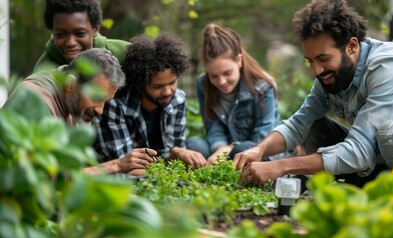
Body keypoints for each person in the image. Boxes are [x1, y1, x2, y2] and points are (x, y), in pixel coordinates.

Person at [233, 0, 393, 187]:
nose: (316, 70)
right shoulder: (332, 75)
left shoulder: (390, 67)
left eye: (323, 58)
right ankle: (361, 196)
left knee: (391, 133)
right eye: (310, 61)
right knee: (312, 126)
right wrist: (260, 149)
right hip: (386, 160)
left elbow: (360, 149)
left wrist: (281, 166)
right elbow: (299, 124)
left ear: (351, 46)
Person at [6, 48, 152, 175]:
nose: (100, 110)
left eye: (105, 101)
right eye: (96, 97)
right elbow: (50, 181)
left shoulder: (66, 91)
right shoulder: (39, 105)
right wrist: (116, 165)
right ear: (71, 83)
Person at [93, 33, 207, 172]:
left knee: (195, 148)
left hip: (156, 168)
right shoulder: (116, 106)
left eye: (172, 82)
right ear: (141, 84)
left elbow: (172, 153)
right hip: (118, 174)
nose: (167, 91)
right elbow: (124, 163)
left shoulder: (178, 99)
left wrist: (176, 152)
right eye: (158, 87)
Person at [187, 23, 279, 164]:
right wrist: (220, 148)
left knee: (243, 149)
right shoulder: (203, 84)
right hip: (224, 150)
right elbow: (213, 127)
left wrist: (228, 149)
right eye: (213, 76)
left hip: (256, 151)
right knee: (194, 146)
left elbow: (263, 137)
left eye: (227, 73)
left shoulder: (262, 86)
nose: (221, 81)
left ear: (239, 60)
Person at [33, 0, 129, 73]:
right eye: (60, 35)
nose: (71, 43)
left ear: (95, 29)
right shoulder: (43, 73)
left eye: (80, 34)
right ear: (52, 31)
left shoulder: (125, 54)